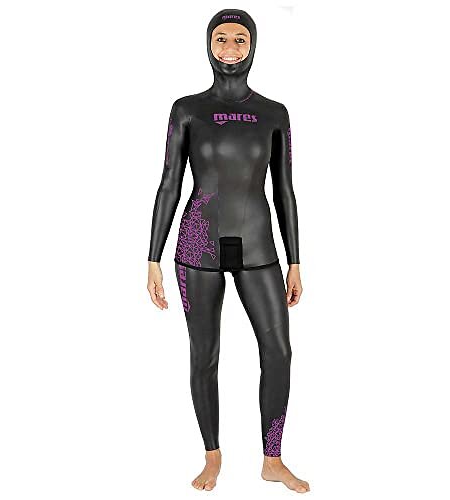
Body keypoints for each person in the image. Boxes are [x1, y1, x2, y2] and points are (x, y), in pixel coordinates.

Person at [147, 8, 309, 493]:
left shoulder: (274, 113)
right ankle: (212, 456)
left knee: (278, 352)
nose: (231, 49)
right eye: (222, 39)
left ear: (253, 46)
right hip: (198, 247)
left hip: (258, 247)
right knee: (205, 355)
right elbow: (169, 184)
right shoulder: (187, 109)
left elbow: (285, 190)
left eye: (241, 39)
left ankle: (272, 459)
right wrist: (152, 258)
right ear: (208, 44)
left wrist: (295, 260)